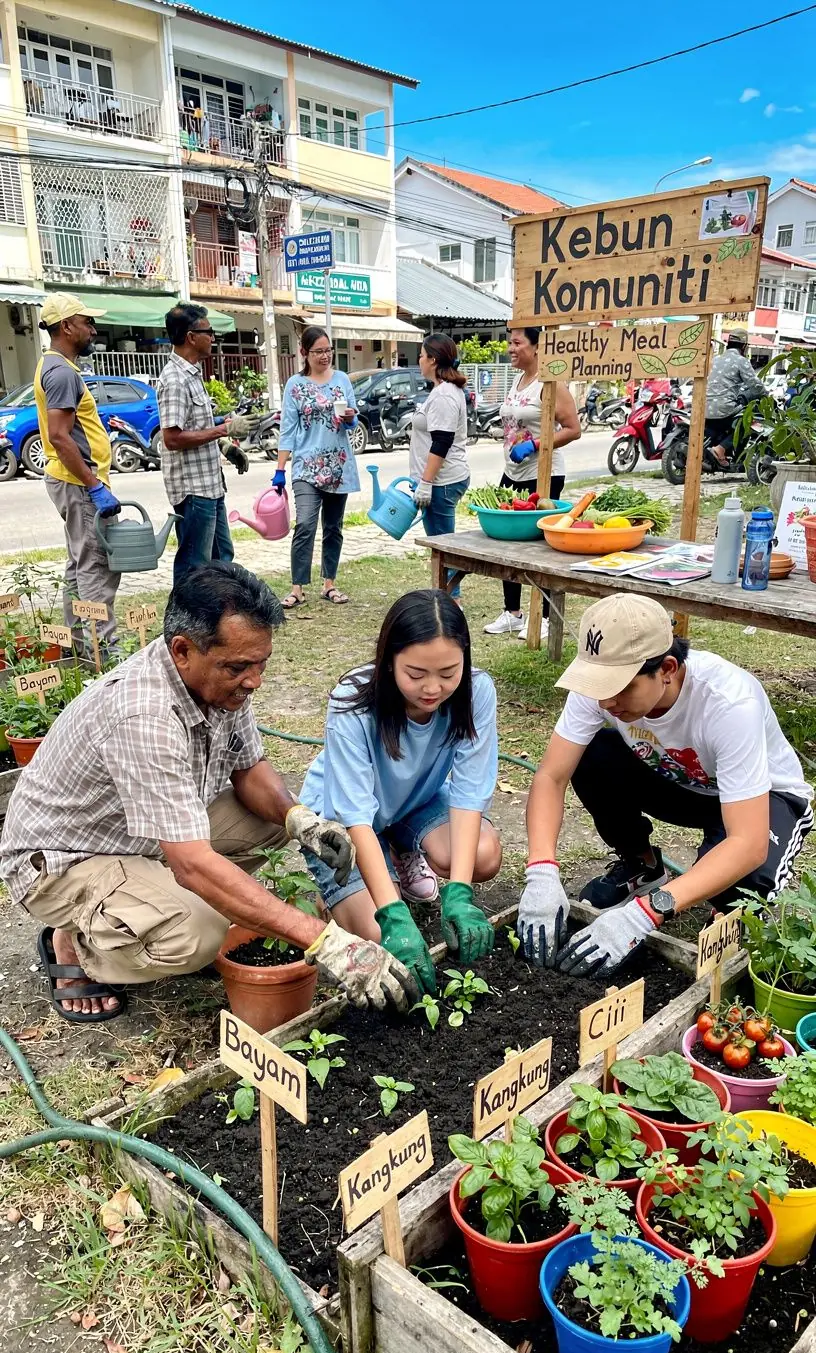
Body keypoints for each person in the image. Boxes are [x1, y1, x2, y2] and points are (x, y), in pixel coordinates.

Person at [0, 562, 416, 1022]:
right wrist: (326, 941)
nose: (254, 680)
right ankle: (77, 944)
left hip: (141, 835)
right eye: (239, 667)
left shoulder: (220, 682)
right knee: (199, 933)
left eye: (261, 663)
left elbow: (249, 768)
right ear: (182, 651)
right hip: (66, 858)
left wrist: (301, 821)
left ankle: (144, 905)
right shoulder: (144, 716)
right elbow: (194, 865)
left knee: (274, 823)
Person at [518, 593, 813, 977]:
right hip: (682, 783)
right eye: (598, 685)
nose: (607, 701)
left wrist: (651, 910)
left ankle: (723, 913)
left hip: (762, 800)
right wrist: (541, 870)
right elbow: (551, 776)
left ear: (668, 668)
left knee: (742, 883)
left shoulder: (728, 702)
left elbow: (749, 843)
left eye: (621, 687)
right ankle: (643, 868)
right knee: (592, 756)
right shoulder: (601, 687)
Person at [299, 589, 502, 994]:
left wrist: (459, 892)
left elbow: (467, 792)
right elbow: (355, 814)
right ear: (389, 661)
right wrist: (392, 914)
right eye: (416, 674)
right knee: (378, 936)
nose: (433, 688)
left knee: (482, 854)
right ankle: (343, 893)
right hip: (342, 821)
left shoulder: (477, 692)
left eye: (448, 673)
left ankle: (399, 853)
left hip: (413, 802)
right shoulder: (352, 703)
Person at [35, 292, 122, 660]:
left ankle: (78, 647)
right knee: (95, 566)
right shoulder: (61, 372)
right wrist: (94, 484)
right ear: (66, 326)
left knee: (78, 564)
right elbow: (58, 435)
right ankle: (104, 652)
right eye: (86, 322)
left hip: (70, 480)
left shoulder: (56, 367)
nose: (92, 329)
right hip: (78, 483)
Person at [484, 327, 581, 640]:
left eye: (517, 343)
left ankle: (547, 617)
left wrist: (537, 444)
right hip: (513, 473)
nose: (511, 348)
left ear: (537, 347)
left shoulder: (550, 383)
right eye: (510, 343)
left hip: (545, 475)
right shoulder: (518, 379)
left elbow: (573, 429)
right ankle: (512, 612)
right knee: (506, 540)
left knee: (542, 546)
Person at [157, 302, 250, 585]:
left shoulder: (193, 374)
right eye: (208, 331)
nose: (213, 337)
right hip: (193, 491)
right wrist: (223, 430)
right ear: (190, 337)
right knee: (194, 565)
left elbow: (195, 428)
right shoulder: (174, 379)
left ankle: (216, 622)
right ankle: (182, 622)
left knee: (222, 557)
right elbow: (172, 438)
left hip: (210, 485)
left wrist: (225, 446)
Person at [274, 325, 359, 610]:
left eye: (328, 350)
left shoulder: (342, 380)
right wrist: (280, 469)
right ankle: (297, 587)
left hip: (338, 465)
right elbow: (287, 429)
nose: (325, 356)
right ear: (304, 353)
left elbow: (353, 420)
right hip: (306, 467)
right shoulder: (295, 386)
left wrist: (349, 418)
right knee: (305, 525)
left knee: (333, 528)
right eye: (318, 351)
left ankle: (329, 584)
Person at [409, 334, 470, 601]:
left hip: (442, 482)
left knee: (444, 549)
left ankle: (450, 604)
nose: (419, 360)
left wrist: (426, 482)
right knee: (442, 546)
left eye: (421, 355)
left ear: (432, 359)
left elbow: (442, 442)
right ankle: (446, 597)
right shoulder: (441, 390)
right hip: (439, 480)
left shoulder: (445, 394)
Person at [705, 328, 765, 465]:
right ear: (744, 346)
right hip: (724, 408)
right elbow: (755, 385)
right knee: (748, 422)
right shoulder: (741, 361)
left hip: (706, 407)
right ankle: (720, 449)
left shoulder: (716, 359)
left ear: (728, 343)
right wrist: (766, 394)